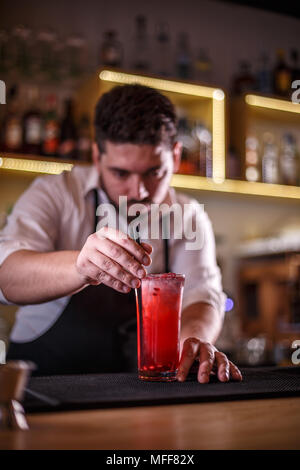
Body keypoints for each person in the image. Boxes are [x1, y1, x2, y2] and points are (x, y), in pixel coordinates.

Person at [0, 84, 242, 383]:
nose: (138, 190)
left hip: (144, 388)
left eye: (154, 172)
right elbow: (6, 276)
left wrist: (192, 340)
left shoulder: (187, 213)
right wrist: (81, 266)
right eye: (121, 173)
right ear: (97, 156)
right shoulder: (55, 193)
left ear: (176, 157)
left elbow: (202, 294)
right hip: (46, 381)